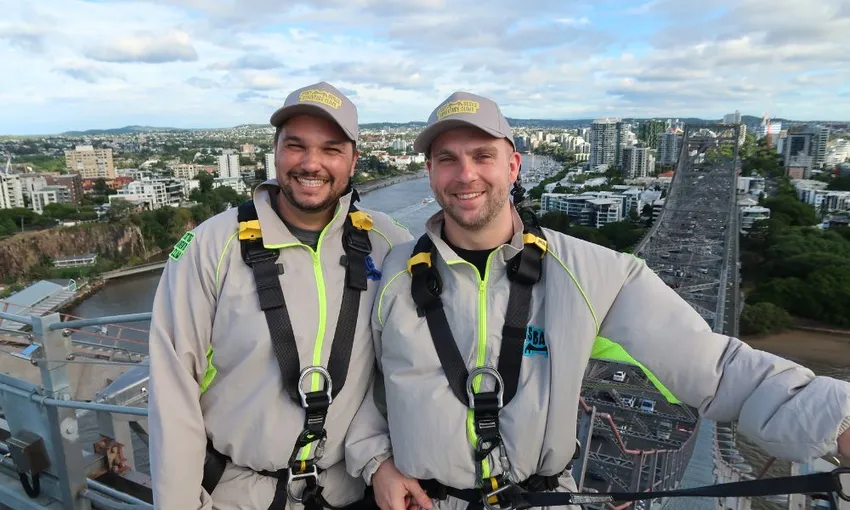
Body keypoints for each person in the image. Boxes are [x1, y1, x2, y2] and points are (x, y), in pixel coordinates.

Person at [344, 91, 850, 510]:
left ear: (514, 165)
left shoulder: (595, 274)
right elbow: (362, 384)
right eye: (447, 160)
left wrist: (840, 422)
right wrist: (376, 461)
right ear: (430, 172)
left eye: (483, 156)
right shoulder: (390, 271)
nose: (465, 174)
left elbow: (716, 367)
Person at [148, 81, 413, 510]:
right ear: (274, 151)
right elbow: (172, 391)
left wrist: (381, 462)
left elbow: (403, 370)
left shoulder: (387, 242)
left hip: (346, 492)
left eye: (331, 149)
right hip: (236, 495)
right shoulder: (210, 246)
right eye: (296, 146)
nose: (312, 163)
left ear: (353, 160)